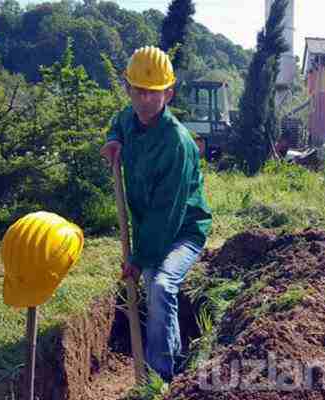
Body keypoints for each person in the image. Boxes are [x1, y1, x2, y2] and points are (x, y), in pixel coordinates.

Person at [100, 46, 212, 382]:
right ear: (128, 89)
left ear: (169, 92)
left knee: (161, 285)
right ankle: (171, 362)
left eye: (154, 92)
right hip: (152, 226)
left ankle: (159, 377)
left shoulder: (176, 143)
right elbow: (118, 122)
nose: (146, 99)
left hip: (183, 230)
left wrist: (138, 257)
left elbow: (168, 215)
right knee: (153, 286)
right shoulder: (130, 120)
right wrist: (113, 140)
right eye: (139, 91)